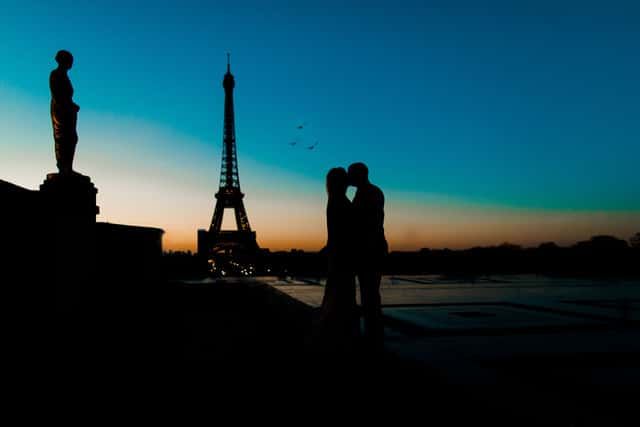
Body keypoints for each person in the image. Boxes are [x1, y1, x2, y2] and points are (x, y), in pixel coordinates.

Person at [348, 162, 388, 350]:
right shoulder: (371, 191)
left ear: (359, 175)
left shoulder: (366, 194)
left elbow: (364, 223)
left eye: (351, 174)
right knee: (370, 292)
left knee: (369, 292)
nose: (348, 177)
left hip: (369, 248)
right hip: (373, 247)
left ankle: (373, 335)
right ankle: (374, 333)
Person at [318, 167, 358, 352]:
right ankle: (340, 329)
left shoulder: (334, 200)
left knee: (337, 290)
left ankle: (333, 328)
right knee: (343, 291)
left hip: (338, 254)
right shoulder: (341, 201)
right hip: (343, 254)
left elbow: (336, 231)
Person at [50, 50, 80, 174]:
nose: (71, 63)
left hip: (68, 111)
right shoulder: (55, 74)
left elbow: (66, 96)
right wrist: (68, 105)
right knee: (63, 138)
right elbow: (58, 96)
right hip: (60, 111)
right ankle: (63, 167)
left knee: (71, 138)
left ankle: (68, 167)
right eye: (69, 60)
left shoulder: (64, 76)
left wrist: (72, 105)